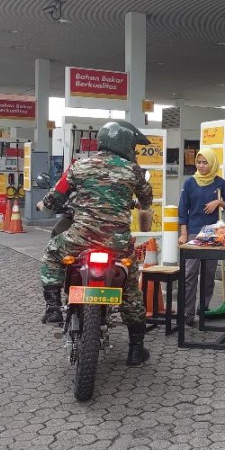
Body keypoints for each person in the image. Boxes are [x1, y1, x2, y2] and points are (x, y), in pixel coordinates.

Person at [37, 119, 154, 366]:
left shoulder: (79, 167)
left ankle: (53, 307)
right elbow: (146, 199)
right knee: (130, 288)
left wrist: (44, 205)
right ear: (125, 144)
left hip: (80, 238)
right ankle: (136, 349)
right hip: (117, 244)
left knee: (51, 253)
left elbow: (54, 198)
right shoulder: (133, 170)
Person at [177, 148, 225, 325]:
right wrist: (184, 234)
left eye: (205, 162)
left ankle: (203, 308)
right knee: (189, 274)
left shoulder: (220, 183)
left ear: (212, 164)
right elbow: (182, 210)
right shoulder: (189, 183)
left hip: (213, 234)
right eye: (199, 162)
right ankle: (187, 313)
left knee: (209, 274)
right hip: (194, 234)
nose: (201, 166)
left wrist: (219, 202)